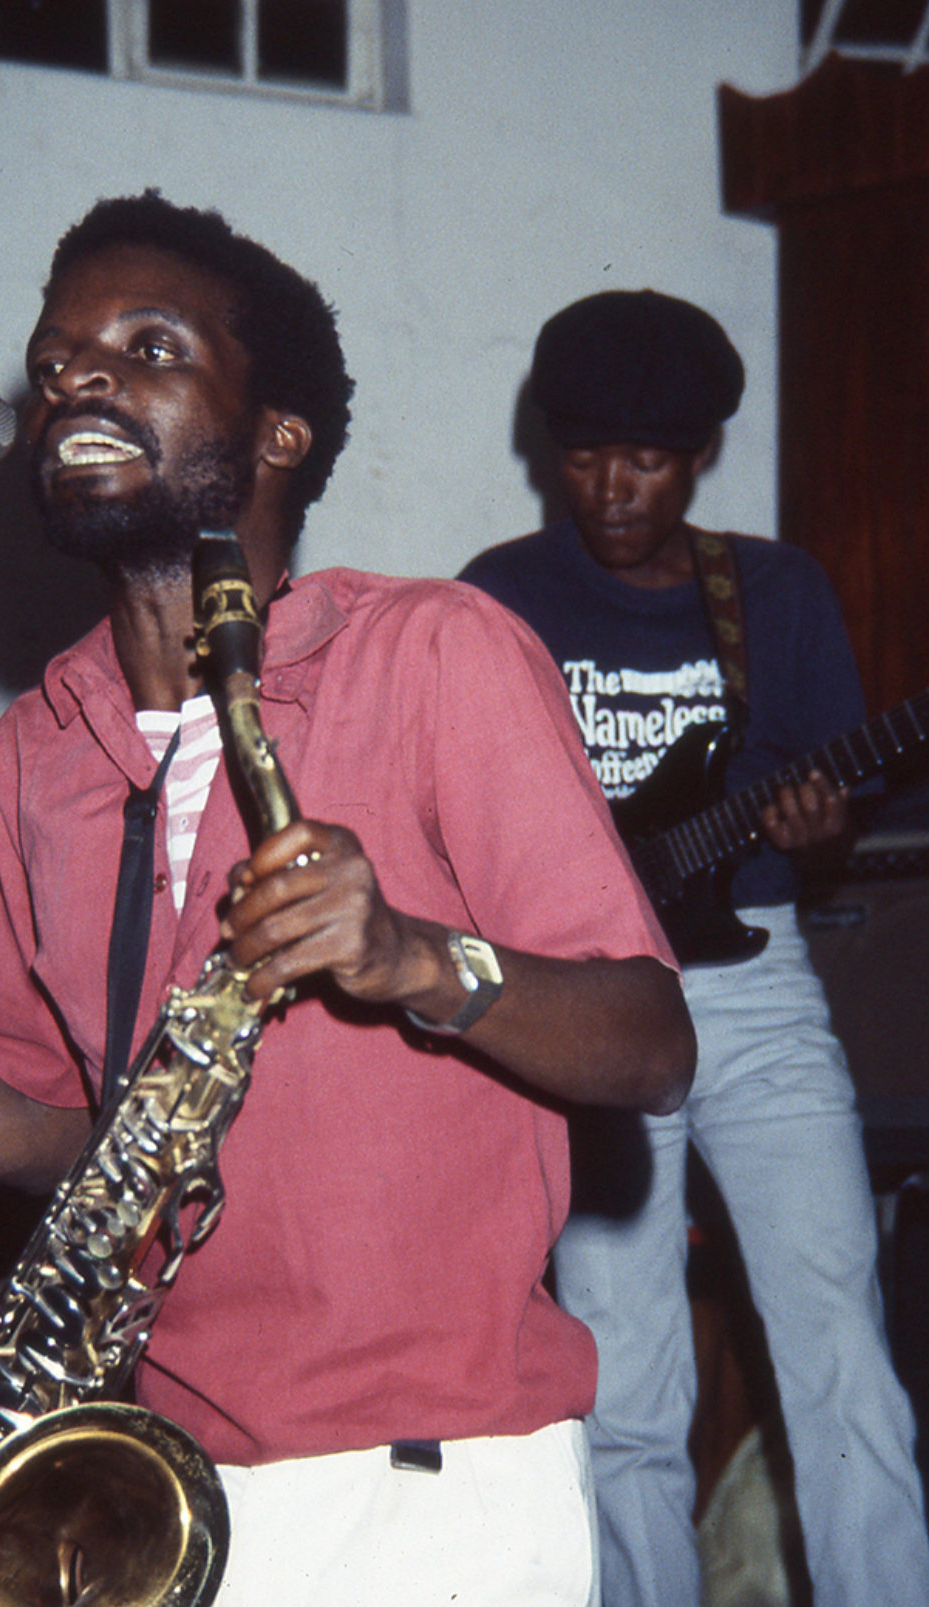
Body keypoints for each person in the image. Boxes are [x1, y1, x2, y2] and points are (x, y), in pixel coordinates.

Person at [0, 200, 695, 1607]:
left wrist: (414, 956)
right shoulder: (42, 741)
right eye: (54, 362)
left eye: (144, 347)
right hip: (155, 1481)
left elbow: (650, 1044)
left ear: (277, 431)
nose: (75, 381)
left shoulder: (433, 653)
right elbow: (65, 1125)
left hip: (437, 1480)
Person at [459, 288, 929, 1607]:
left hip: (755, 982)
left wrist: (821, 824)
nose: (614, 488)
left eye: (650, 459)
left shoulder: (771, 591)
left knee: (843, 1345)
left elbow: (832, 822)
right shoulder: (498, 598)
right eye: (588, 456)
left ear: (702, 453)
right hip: (593, 1000)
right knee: (626, 1370)